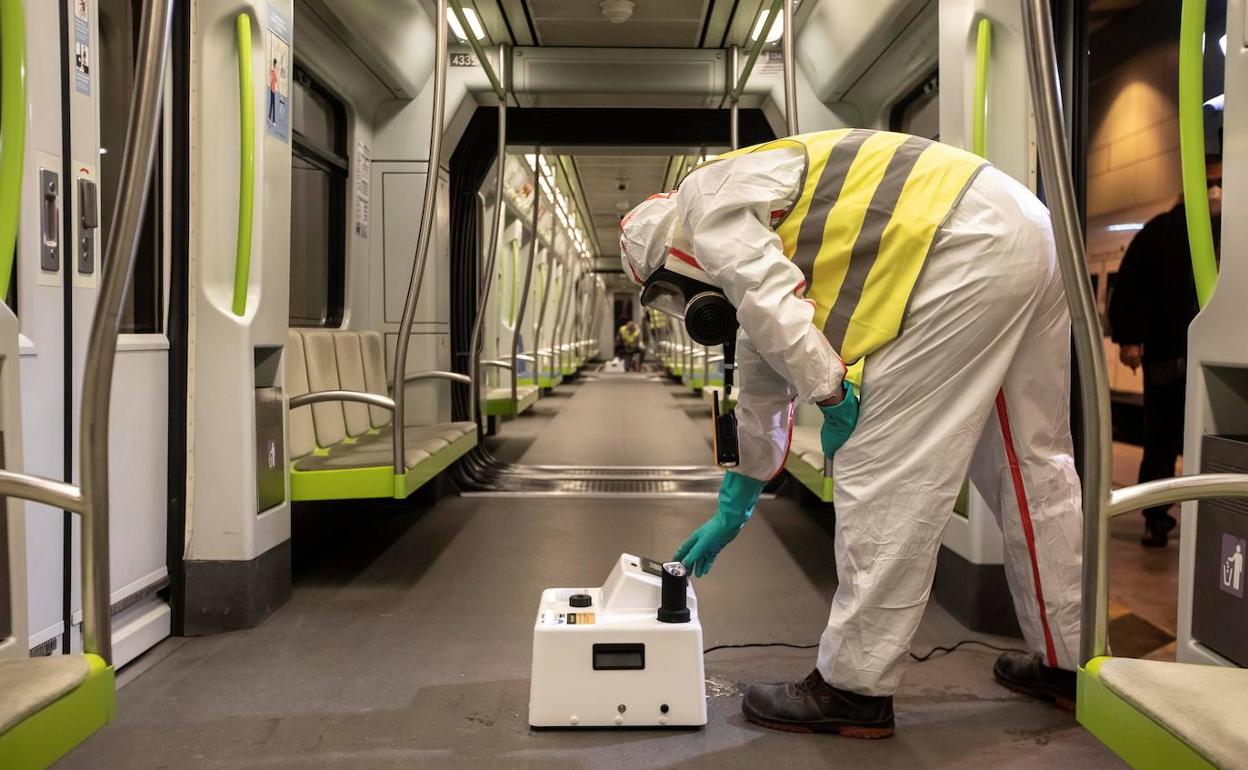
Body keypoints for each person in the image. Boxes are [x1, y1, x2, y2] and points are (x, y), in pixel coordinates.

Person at [621, 129, 1083, 737]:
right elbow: (764, 368)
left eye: (670, 292)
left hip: (958, 245)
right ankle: (1070, 662)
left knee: (881, 462)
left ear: (670, 248)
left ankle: (853, 686)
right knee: (1029, 463)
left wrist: (831, 391)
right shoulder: (755, 211)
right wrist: (737, 500)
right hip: (1024, 226)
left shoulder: (705, 197)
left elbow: (767, 300)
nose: (686, 308)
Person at [1108, 156, 1221, 547]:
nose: (1215, 191)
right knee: (1161, 440)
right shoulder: (1162, 232)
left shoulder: (1230, 232)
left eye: (1221, 182)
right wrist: (1129, 340)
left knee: (1214, 439)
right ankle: (1157, 517)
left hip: (1212, 361)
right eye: (1208, 182)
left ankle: (1213, 515)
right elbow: (1131, 284)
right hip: (1169, 357)